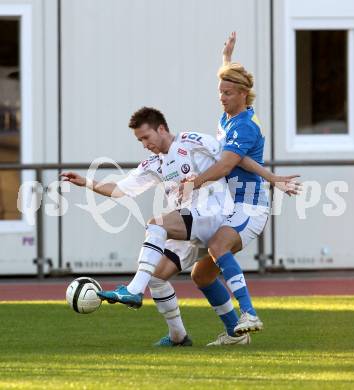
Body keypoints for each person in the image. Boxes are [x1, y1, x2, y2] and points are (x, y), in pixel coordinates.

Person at [61, 107, 298, 346]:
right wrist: (86, 183)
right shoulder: (154, 164)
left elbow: (236, 158)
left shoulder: (194, 142)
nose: (144, 144)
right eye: (140, 140)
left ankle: (134, 289)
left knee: (158, 223)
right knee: (157, 277)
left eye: (146, 137)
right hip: (190, 226)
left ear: (161, 128)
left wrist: (272, 178)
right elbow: (119, 189)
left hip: (213, 212)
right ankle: (182, 336)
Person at [182, 32, 286, 342]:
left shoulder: (244, 126)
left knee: (217, 246)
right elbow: (240, 163)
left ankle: (250, 312)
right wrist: (226, 58)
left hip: (250, 206)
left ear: (242, 94)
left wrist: (195, 182)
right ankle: (236, 333)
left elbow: (227, 165)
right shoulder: (230, 116)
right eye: (220, 91)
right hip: (231, 204)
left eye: (227, 92)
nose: (221, 97)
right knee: (200, 275)